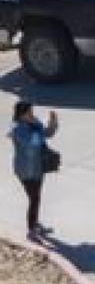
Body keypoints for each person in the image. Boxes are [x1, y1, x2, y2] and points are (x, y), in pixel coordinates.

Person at [10, 101, 57, 237]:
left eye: (32, 111)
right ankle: (32, 229)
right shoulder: (17, 129)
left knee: (35, 198)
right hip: (25, 170)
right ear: (21, 114)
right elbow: (33, 143)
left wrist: (52, 123)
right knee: (34, 198)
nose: (32, 113)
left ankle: (34, 223)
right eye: (29, 112)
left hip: (38, 167)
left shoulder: (35, 122)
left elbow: (48, 134)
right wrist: (37, 128)